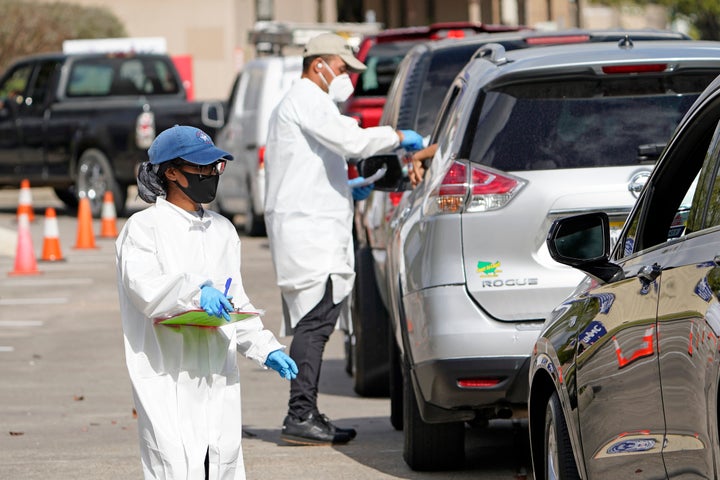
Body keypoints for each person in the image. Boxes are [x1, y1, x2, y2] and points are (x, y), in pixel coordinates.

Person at [263, 32, 424, 446]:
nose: (345, 76)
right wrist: (397, 136)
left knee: (316, 321)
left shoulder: (307, 104)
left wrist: (349, 186)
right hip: (308, 230)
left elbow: (314, 165)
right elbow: (351, 141)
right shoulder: (305, 100)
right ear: (319, 64)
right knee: (314, 324)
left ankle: (306, 412)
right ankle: (299, 415)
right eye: (341, 67)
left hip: (313, 223)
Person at [115, 125, 298, 479]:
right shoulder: (143, 228)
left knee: (221, 462)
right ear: (170, 172)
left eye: (216, 167)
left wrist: (266, 348)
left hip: (216, 375)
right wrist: (196, 292)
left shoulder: (222, 231)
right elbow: (145, 289)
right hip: (166, 375)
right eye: (202, 167)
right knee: (174, 463)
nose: (212, 175)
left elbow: (236, 303)